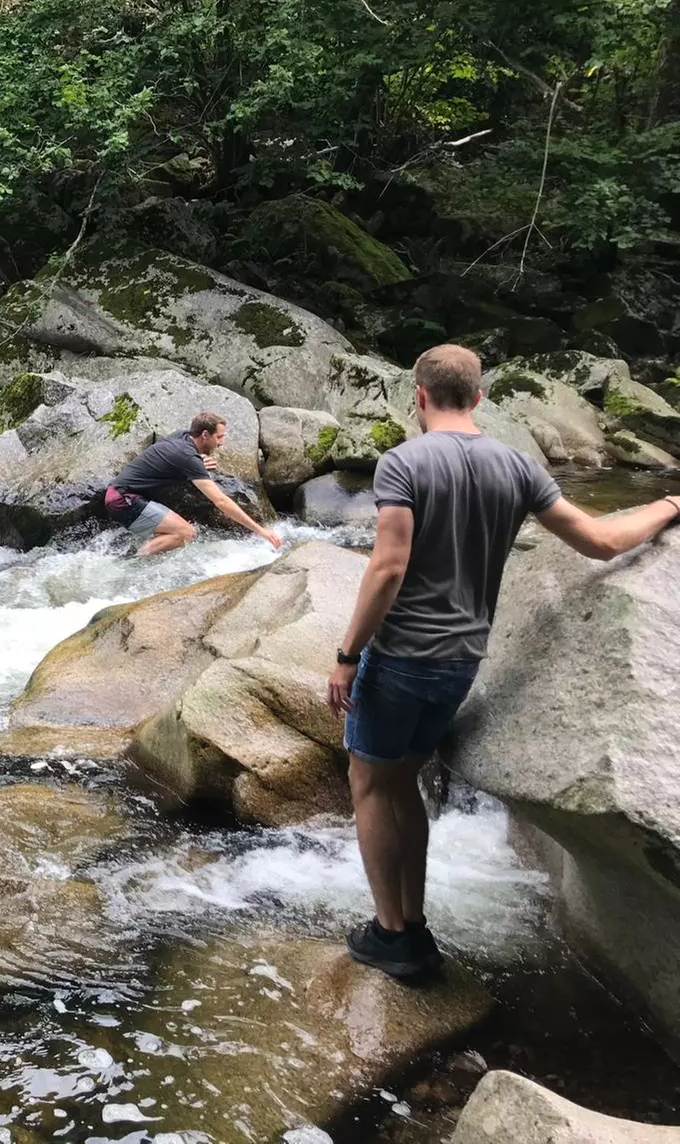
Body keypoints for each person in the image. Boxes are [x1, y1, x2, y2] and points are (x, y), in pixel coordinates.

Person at [327, 343, 680, 979]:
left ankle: (391, 933)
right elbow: (600, 541)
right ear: (480, 397)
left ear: (421, 396)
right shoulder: (517, 465)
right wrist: (671, 506)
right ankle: (412, 924)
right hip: (462, 660)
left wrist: (347, 655)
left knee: (370, 785)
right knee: (402, 782)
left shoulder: (403, 462)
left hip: (404, 654)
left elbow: (388, 566)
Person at [104, 412, 283, 556]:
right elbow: (220, 501)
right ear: (205, 435)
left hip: (122, 494)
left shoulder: (182, 437)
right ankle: (132, 563)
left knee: (177, 530)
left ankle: (147, 551)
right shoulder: (188, 457)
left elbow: (173, 459)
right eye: (219, 437)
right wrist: (261, 531)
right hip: (123, 499)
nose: (221, 443)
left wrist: (197, 462)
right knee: (185, 533)